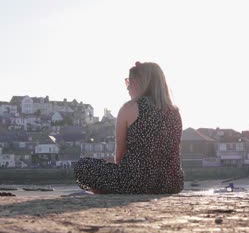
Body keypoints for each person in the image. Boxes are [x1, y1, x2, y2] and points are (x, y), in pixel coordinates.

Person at [74, 61, 183, 194]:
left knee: (83, 166)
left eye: (129, 81)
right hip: (171, 183)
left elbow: (119, 155)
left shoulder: (129, 108)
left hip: (136, 182)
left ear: (139, 82)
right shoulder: (174, 111)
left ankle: (109, 193)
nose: (127, 87)